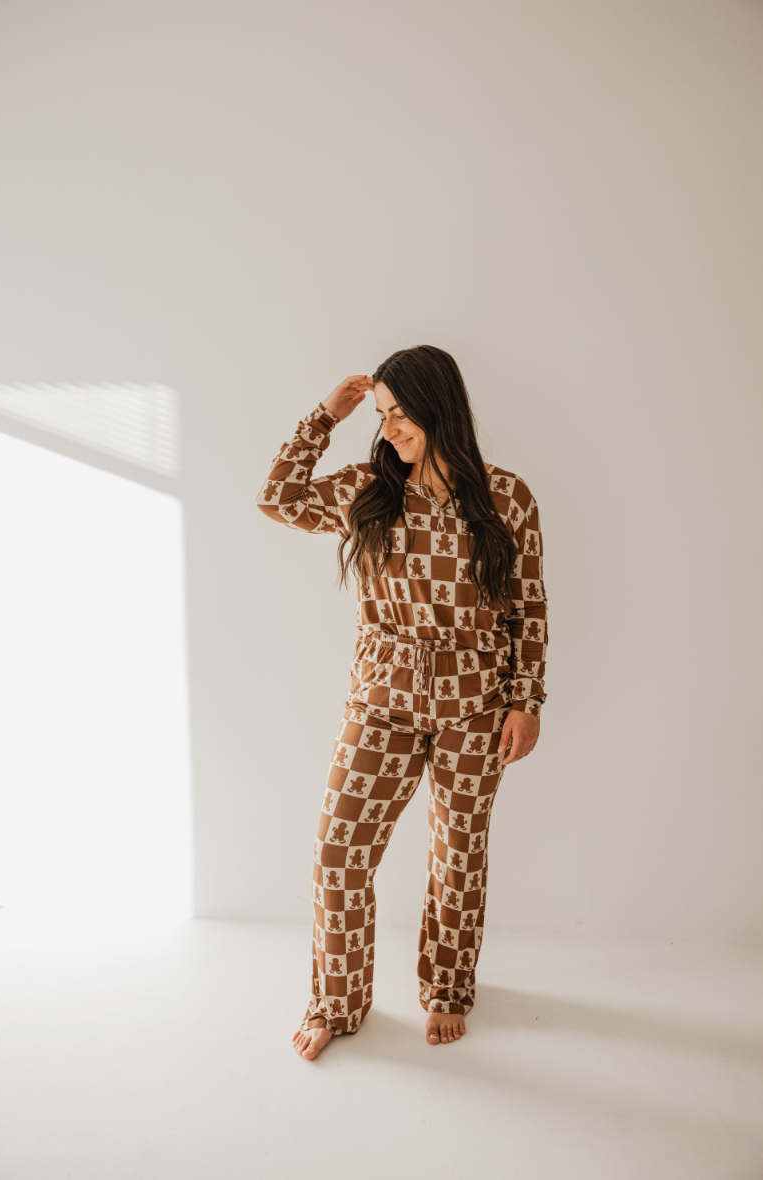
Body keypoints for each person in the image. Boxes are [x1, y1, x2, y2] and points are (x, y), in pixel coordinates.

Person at [256, 344, 547, 1061]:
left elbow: (528, 609)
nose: (388, 427)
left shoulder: (507, 498)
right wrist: (324, 418)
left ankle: (447, 990)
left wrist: (526, 699)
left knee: (457, 851)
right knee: (337, 850)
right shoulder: (368, 490)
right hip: (381, 700)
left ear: (440, 405)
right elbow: (278, 500)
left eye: (400, 412)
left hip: (475, 704)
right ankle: (337, 1001)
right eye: (381, 415)